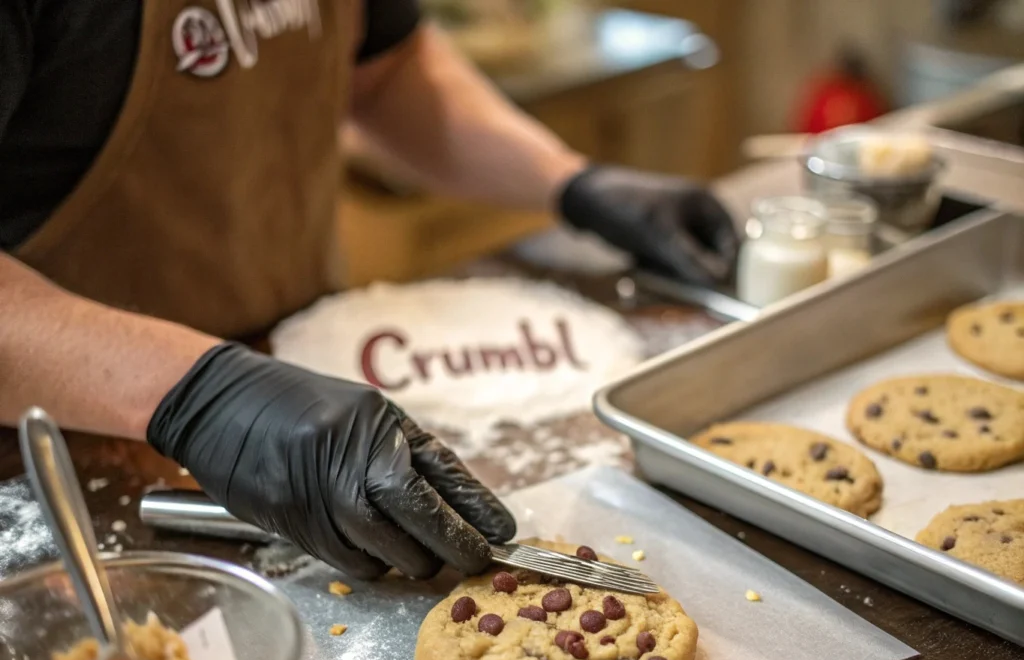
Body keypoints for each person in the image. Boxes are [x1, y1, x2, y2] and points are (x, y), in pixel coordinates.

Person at [0, 0, 738, 581]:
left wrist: (567, 182)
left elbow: (384, 71)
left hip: (300, 391)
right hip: (59, 460)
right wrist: (202, 395)